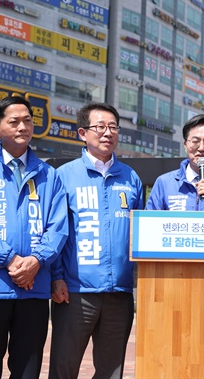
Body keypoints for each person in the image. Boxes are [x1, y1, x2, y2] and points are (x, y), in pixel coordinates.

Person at [0, 96, 68, 379]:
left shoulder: (49, 175)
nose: (23, 127)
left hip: (34, 288)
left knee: (28, 370)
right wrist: (11, 259)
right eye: (14, 121)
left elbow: (58, 228)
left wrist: (36, 261)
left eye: (28, 121)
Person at [49, 103, 143, 378]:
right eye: (100, 127)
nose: (107, 133)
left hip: (120, 294)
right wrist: (56, 277)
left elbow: (141, 231)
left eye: (113, 127)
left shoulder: (131, 177)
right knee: (63, 369)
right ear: (82, 133)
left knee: (111, 371)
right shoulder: (63, 176)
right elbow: (54, 231)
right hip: (75, 293)